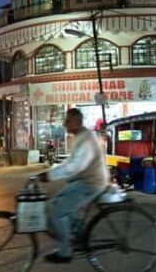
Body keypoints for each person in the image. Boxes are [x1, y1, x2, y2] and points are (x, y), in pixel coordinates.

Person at [36, 108, 109, 263]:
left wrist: (50, 176)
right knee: (54, 202)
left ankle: (65, 252)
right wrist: (50, 172)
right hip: (82, 181)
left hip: (91, 184)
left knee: (57, 213)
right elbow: (69, 162)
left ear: (76, 122)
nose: (65, 124)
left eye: (68, 121)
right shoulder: (80, 137)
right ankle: (75, 234)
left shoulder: (87, 140)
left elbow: (76, 166)